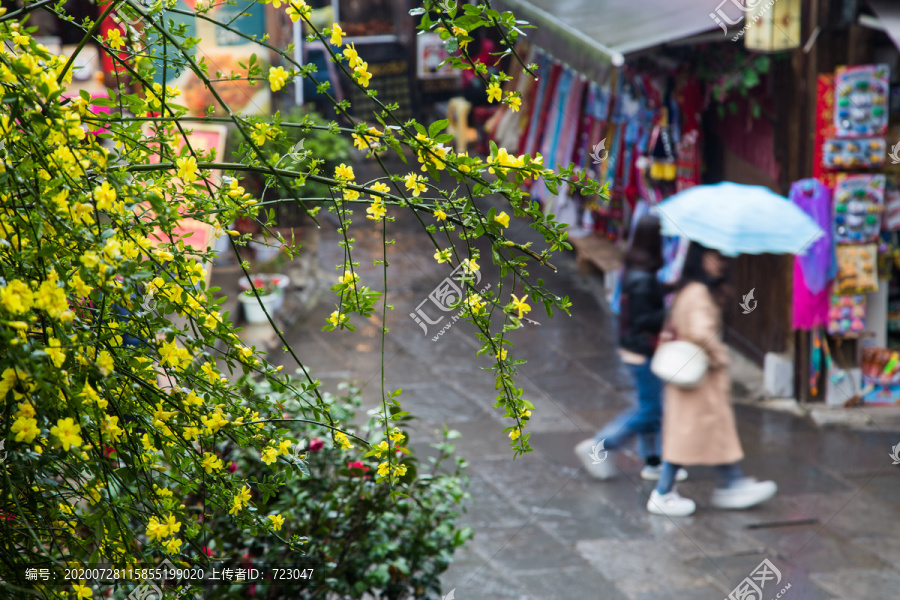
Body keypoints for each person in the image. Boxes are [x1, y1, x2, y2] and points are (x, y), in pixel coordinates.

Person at [646, 242, 777, 517]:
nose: (721, 263)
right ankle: (664, 492)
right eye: (714, 257)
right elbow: (701, 333)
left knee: (708, 435)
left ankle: (732, 482)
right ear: (700, 257)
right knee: (691, 437)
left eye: (722, 258)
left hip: (697, 380)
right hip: (698, 378)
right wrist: (721, 356)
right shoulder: (697, 293)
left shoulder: (694, 289)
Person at [575, 214, 686, 482]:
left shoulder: (637, 269)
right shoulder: (643, 277)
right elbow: (645, 318)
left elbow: (647, 296)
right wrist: (669, 313)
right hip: (642, 351)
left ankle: (653, 461)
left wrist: (669, 288)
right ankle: (600, 445)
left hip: (636, 348)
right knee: (649, 410)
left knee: (651, 406)